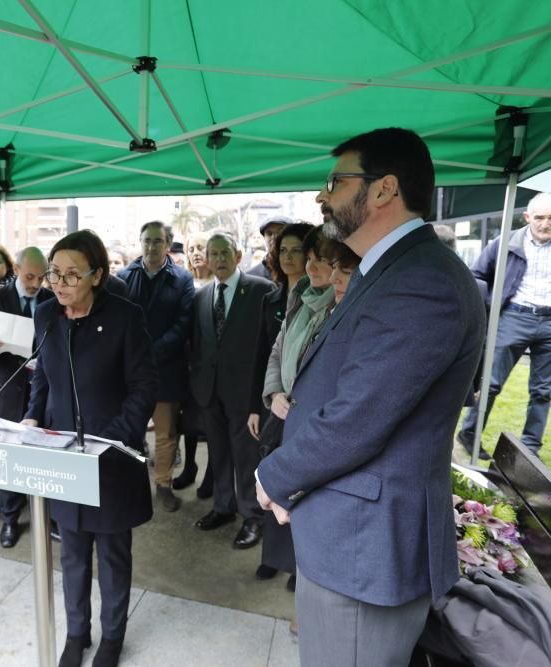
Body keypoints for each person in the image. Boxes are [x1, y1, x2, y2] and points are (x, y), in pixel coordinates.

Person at [256, 128, 485, 666]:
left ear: (383, 190)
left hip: (365, 550)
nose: (322, 196)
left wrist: (275, 476)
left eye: (336, 182)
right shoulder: (390, 271)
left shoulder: (420, 280)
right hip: (349, 536)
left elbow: (357, 417)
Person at [23, 230, 157, 667]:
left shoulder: (126, 316)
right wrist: (31, 417)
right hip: (63, 457)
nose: (59, 284)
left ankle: (113, 637)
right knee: (74, 553)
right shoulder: (46, 316)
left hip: (111, 457)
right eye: (53, 274)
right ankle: (76, 633)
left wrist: (115, 438)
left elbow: (143, 386)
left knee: (114, 555)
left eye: (71, 275)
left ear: (97, 275)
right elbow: (42, 375)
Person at [248, 225, 328, 592]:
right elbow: (276, 352)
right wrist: (273, 393)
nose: (308, 265)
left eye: (317, 258)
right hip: (280, 411)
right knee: (274, 482)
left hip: (310, 420)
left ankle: (300, 565)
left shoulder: (339, 304)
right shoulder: (299, 297)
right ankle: (275, 558)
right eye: (303, 256)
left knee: (301, 491)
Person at [189, 233, 275, 549]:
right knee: (219, 453)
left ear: (238, 255)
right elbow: (197, 346)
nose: (219, 259)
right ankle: (223, 507)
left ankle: (253, 515)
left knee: (246, 456)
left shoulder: (261, 291)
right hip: (209, 393)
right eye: (213, 253)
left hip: (246, 394)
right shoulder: (201, 297)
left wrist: (260, 399)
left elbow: (269, 348)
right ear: (207, 259)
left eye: (225, 252)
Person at [458, 191, 551, 456]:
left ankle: (530, 447)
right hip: (514, 316)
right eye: (540, 218)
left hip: (549, 320)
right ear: (527, 217)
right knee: (491, 382)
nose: (546, 224)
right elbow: (476, 275)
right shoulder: (506, 242)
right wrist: (492, 307)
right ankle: (469, 435)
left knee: (543, 391)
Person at [0, 247, 54, 547]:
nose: (36, 283)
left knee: (44, 454)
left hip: (43, 389)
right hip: (6, 386)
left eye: (41, 277)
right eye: (30, 276)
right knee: (6, 455)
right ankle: (9, 519)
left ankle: (50, 516)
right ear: (16, 270)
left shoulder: (50, 298)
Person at [117, 221, 194, 512]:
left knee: (165, 433)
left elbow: (184, 322)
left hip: (167, 369)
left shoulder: (182, 278)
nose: (151, 247)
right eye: (146, 240)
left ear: (167, 244)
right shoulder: (124, 277)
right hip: (132, 372)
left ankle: (163, 485)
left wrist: (152, 351)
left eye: (157, 241)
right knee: (130, 430)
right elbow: (119, 322)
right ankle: (129, 484)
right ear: (140, 242)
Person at [172, 230, 215, 495]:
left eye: (201, 247)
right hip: (186, 363)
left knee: (211, 422)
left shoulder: (218, 281)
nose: (196, 252)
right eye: (192, 248)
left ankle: (211, 472)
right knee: (188, 420)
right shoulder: (185, 282)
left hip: (211, 365)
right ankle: (190, 467)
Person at [247, 215, 292, 280]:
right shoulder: (252, 276)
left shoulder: (307, 271)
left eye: (280, 232)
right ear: (264, 238)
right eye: (269, 233)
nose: (274, 237)